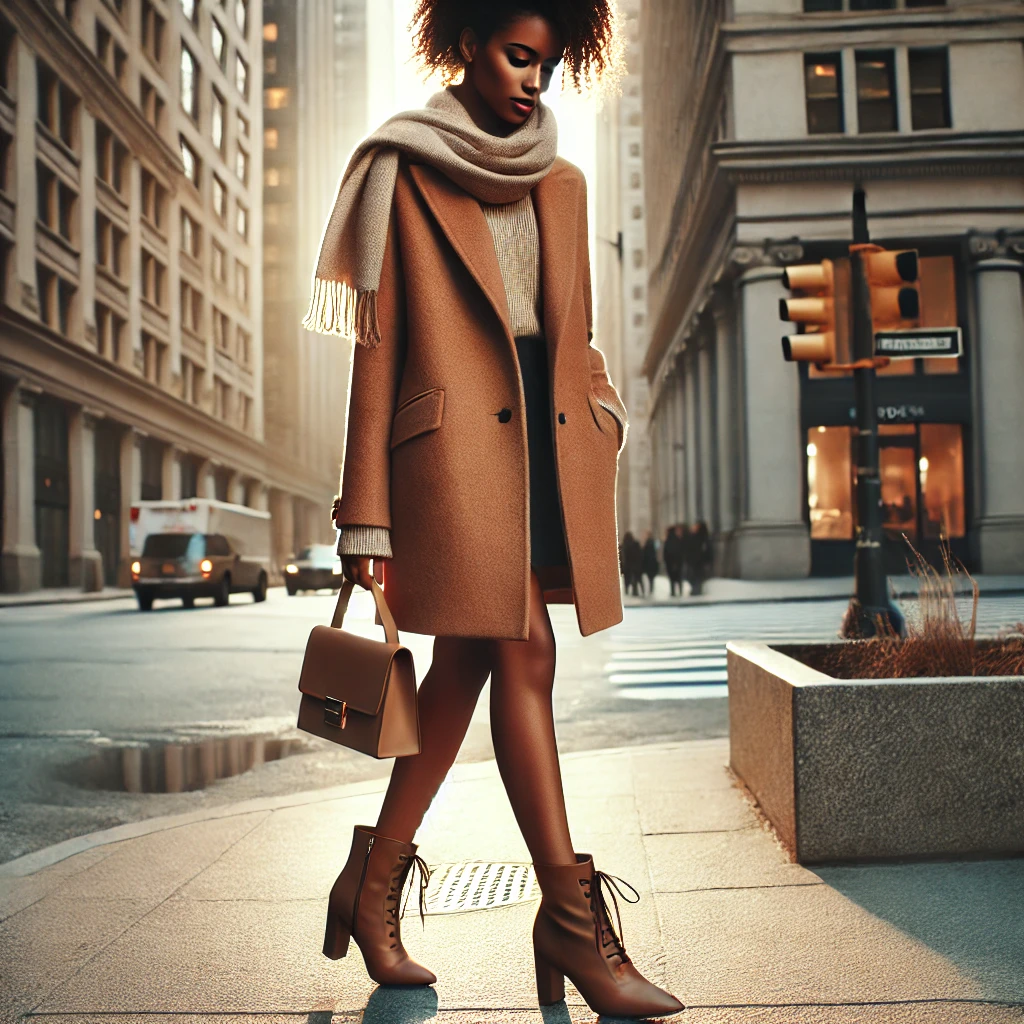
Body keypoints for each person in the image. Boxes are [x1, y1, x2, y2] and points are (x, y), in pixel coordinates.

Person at [302, 3, 683, 1019]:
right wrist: (363, 516)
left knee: (473, 659)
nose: (532, 81)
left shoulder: (563, 181)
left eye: (548, 65)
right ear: (468, 39)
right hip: (455, 458)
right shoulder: (403, 166)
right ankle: (566, 917)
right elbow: (373, 353)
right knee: (524, 651)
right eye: (519, 55)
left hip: (550, 453)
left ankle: (371, 880)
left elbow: (576, 338)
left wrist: (602, 412)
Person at [686, 521, 713, 597]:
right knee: (692, 576)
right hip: (694, 561)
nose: (693, 527)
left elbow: (706, 550)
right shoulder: (692, 537)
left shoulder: (702, 538)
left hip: (699, 561)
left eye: (695, 526)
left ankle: (697, 590)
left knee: (697, 576)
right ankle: (695, 589)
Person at [663, 523, 684, 597]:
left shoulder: (669, 540)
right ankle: (680, 591)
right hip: (676, 562)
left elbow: (668, 553)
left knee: (673, 578)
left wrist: (668, 561)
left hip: (671, 563)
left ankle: (673, 592)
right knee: (678, 578)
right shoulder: (677, 539)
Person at [642, 529, 659, 597]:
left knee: (650, 577)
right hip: (652, 563)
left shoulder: (647, 544)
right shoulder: (654, 543)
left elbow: (644, 554)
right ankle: (651, 589)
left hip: (648, 563)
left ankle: (650, 590)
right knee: (651, 578)